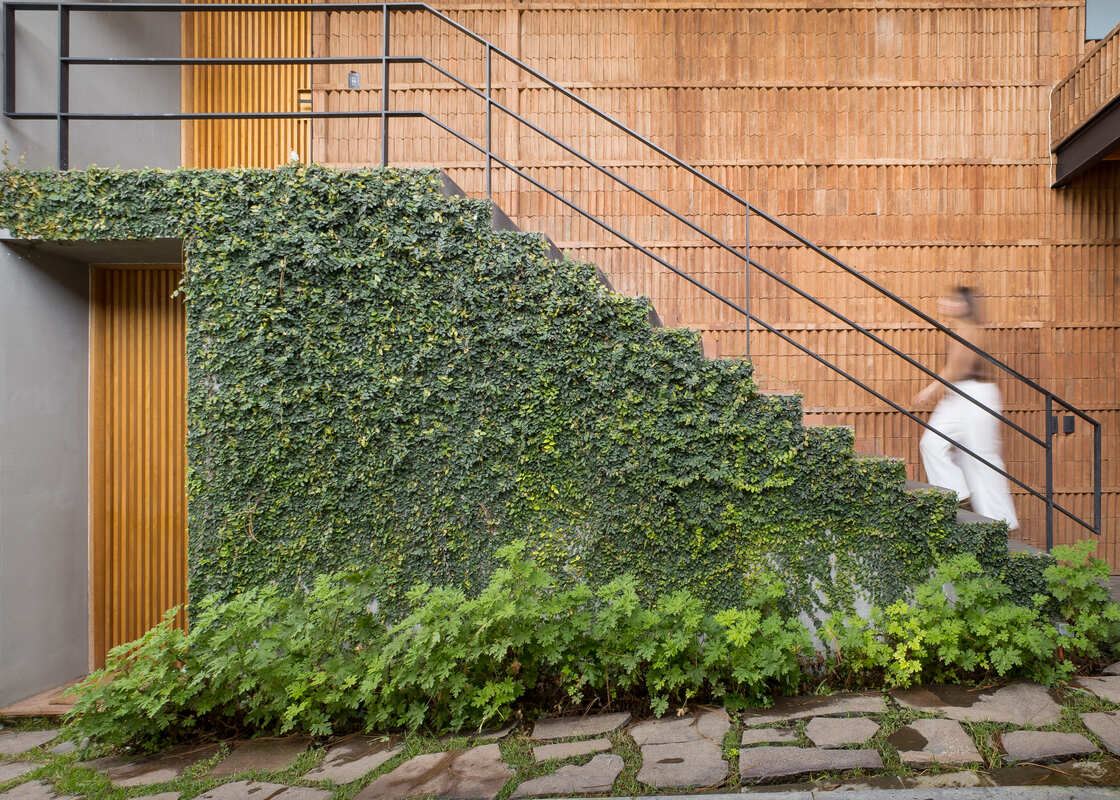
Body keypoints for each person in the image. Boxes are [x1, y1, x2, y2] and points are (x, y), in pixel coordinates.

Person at [914, 286, 1019, 530]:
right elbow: (953, 370)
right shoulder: (960, 330)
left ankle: (1001, 521)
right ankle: (958, 494)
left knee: (981, 458)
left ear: (962, 305)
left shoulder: (971, 330)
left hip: (976, 395)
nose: (943, 303)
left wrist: (930, 389)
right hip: (956, 396)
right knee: (931, 443)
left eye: (949, 300)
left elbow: (957, 368)